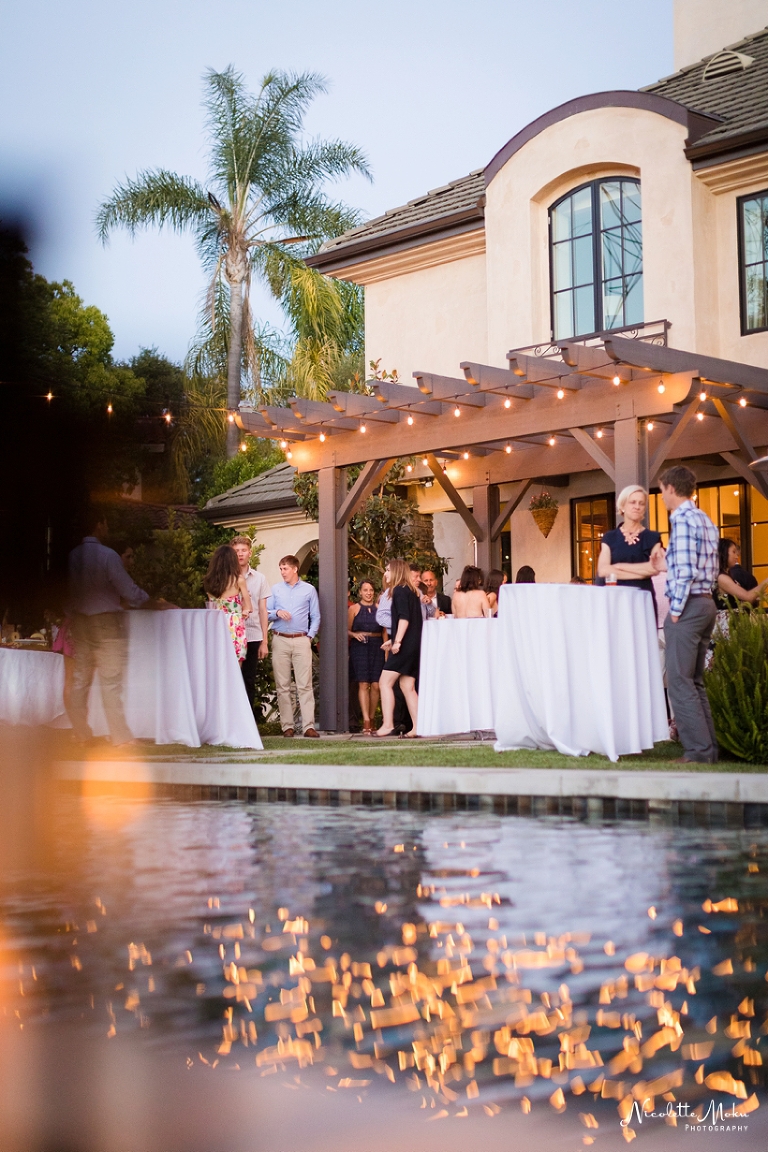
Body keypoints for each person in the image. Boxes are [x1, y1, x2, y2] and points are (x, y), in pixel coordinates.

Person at [67, 509, 163, 746]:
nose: (107, 527)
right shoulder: (108, 555)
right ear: (99, 524)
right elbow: (128, 590)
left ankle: (80, 733)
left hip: (80, 621)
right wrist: (152, 602)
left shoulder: (72, 556)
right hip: (106, 621)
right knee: (110, 681)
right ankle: (120, 737)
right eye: (106, 523)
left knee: (80, 680)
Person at [656, 465, 720, 764]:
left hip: (689, 606)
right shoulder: (704, 519)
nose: (661, 497)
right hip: (706, 602)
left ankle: (697, 752)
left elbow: (685, 571)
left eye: (661, 491)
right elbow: (705, 565)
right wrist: (664, 563)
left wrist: (676, 610)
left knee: (680, 682)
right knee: (694, 681)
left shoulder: (681, 520)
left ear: (671, 488)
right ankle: (708, 749)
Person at [268, 555, 321, 738]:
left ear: (295, 569)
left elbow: (316, 616)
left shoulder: (309, 590)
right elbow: (266, 612)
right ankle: (287, 727)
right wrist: (277, 612)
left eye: (285, 568)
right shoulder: (275, 589)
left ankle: (308, 726)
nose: (282, 572)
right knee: (282, 685)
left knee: (304, 684)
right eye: (281, 569)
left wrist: (309, 636)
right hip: (280, 639)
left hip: (301, 640)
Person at [377, 559, 423, 738]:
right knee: (407, 685)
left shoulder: (399, 590)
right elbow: (410, 620)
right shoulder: (411, 591)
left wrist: (397, 642)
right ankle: (418, 726)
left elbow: (404, 618)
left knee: (384, 682)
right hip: (413, 645)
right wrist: (394, 640)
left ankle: (388, 724)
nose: (385, 574)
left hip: (405, 647)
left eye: (388, 570)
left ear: (396, 571)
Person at [597, 486, 665, 604]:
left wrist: (618, 567)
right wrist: (640, 574)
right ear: (622, 506)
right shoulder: (610, 537)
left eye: (641, 503)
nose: (637, 507)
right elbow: (603, 570)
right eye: (632, 502)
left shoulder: (653, 537)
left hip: (642, 598)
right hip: (615, 599)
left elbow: (654, 568)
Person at [231, 535, 269, 712]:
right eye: (236, 551)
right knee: (231, 679)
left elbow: (262, 610)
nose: (240, 554)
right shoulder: (227, 577)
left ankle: (248, 722)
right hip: (231, 635)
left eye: (243, 550)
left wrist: (264, 641)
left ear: (250, 553)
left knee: (249, 680)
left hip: (252, 634)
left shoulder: (259, 578)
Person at [204, 545, 253, 664]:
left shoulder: (209, 581)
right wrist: (244, 610)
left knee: (217, 662)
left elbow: (212, 603)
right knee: (235, 663)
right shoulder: (238, 580)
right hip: (234, 624)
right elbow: (249, 606)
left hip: (215, 622)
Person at [348, 580, 385, 734]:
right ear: (360, 592)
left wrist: (386, 650)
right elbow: (346, 629)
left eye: (371, 590)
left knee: (376, 684)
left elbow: (384, 631)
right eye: (365, 590)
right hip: (360, 647)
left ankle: (372, 717)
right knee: (363, 683)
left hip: (377, 646)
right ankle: (366, 720)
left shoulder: (379, 608)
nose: (368, 593)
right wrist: (354, 635)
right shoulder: (354, 609)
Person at [714, 538, 766, 610]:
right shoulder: (722, 578)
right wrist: (766, 582)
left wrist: (756, 596)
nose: (737, 556)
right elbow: (747, 597)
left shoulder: (726, 575)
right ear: (723, 553)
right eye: (733, 552)